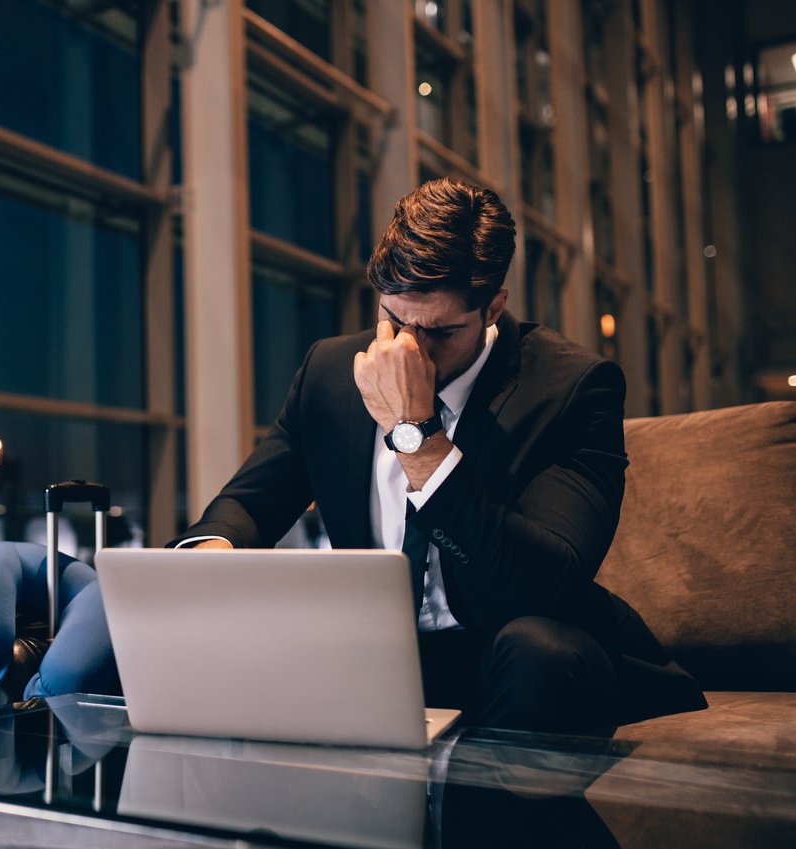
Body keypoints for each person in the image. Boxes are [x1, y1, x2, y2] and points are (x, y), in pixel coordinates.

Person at [171, 177, 704, 732]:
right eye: (395, 322)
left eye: (440, 333)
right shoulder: (330, 373)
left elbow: (541, 585)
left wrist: (415, 430)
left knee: (538, 651)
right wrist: (213, 552)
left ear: (493, 307)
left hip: (511, 654)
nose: (408, 350)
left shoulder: (574, 388)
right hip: (378, 657)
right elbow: (250, 506)